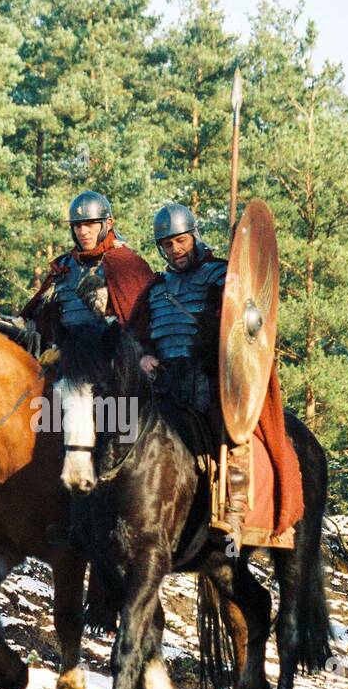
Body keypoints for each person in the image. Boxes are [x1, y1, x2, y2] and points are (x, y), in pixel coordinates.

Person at [130, 202, 303, 546]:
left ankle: (233, 510)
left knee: (229, 427)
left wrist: (224, 346)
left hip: (211, 379)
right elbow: (134, 335)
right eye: (167, 245)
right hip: (165, 383)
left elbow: (244, 326)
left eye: (181, 241)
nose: (175, 250)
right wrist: (142, 357)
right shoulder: (156, 289)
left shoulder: (222, 278)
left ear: (194, 236)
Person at [0, 191, 153, 354]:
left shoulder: (126, 263)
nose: (83, 231)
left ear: (108, 223)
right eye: (77, 225)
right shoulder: (64, 267)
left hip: (113, 360)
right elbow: (39, 327)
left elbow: (143, 326)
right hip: (68, 359)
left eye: (89, 224)